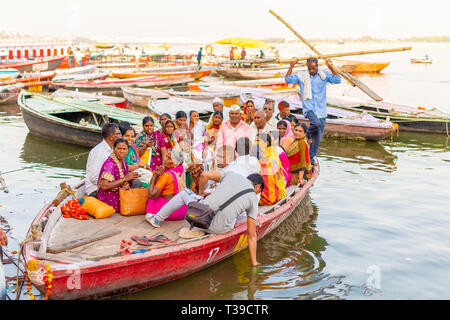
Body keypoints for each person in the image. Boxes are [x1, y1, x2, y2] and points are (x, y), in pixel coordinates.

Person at [146, 171, 265, 266]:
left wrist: (201, 193)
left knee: (185, 193)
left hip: (201, 217)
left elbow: (204, 175)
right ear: (258, 187)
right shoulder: (253, 199)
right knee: (239, 214)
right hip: (221, 229)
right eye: (259, 192)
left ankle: (157, 219)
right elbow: (251, 234)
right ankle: (204, 230)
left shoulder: (232, 174)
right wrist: (254, 262)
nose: (257, 194)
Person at [285, 57, 341, 163]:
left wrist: (330, 67)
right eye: (309, 68)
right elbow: (287, 79)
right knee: (316, 123)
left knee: (317, 139)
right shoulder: (302, 76)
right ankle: (307, 134)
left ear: (317, 66)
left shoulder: (323, 75)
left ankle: (310, 158)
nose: (311, 71)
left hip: (321, 111)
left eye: (313, 69)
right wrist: (291, 65)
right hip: (309, 108)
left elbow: (338, 80)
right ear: (307, 67)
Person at [98, 138, 140, 212]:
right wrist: (124, 179)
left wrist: (131, 177)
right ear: (114, 149)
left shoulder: (123, 163)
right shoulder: (110, 164)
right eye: (119, 148)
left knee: (138, 183)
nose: (122, 151)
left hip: (119, 195)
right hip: (109, 201)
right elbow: (104, 186)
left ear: (128, 150)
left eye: (124, 149)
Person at [146, 149, 187, 221]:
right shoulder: (181, 171)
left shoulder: (167, 175)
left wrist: (154, 176)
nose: (165, 159)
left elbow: (152, 195)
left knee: (150, 199)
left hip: (168, 212)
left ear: (175, 163)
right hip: (181, 211)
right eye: (166, 157)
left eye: (169, 158)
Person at [85, 123, 121, 197]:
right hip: (95, 190)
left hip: (109, 185)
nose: (121, 136)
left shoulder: (112, 149)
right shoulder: (98, 151)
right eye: (118, 134)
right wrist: (114, 183)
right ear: (111, 137)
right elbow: (93, 178)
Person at [252, 132, 286, 206]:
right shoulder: (268, 151)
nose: (255, 144)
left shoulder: (270, 153)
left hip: (269, 196)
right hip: (277, 192)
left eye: (258, 141)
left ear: (266, 143)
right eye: (255, 141)